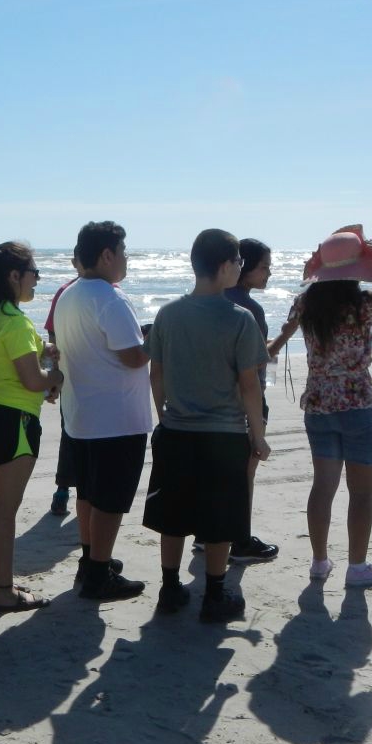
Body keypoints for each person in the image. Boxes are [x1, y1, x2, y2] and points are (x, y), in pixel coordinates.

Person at [143, 229, 269, 622]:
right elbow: (248, 384)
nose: (240, 268)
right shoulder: (239, 319)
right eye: (238, 262)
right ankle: (214, 594)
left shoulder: (168, 313)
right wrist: (258, 434)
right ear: (224, 266)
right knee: (220, 518)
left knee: (174, 515)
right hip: (224, 432)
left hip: (178, 429)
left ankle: (169, 588)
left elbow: (156, 374)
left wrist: (165, 417)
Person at [291, 226, 372, 586]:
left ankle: (319, 561)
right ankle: (357, 567)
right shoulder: (364, 304)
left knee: (322, 487)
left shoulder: (306, 304)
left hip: (319, 403)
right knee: (361, 493)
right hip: (358, 403)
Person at [53, 221, 151, 601]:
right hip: (116, 417)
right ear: (107, 255)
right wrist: (153, 340)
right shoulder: (110, 298)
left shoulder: (70, 293)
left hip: (82, 413)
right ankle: (98, 574)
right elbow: (131, 357)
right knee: (110, 499)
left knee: (89, 493)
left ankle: (92, 561)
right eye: (123, 252)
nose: (125, 260)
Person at [0, 242, 62, 612]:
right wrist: (58, 376)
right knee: (5, 510)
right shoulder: (16, 320)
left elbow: (13, 365)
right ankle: (3, 590)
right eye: (33, 273)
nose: (36, 279)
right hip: (13, 420)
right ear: (14, 276)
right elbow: (33, 382)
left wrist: (42, 359)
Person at [189, 237, 282, 563]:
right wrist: (286, 334)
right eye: (264, 268)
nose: (268, 274)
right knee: (243, 475)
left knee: (214, 476)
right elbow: (257, 364)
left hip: (206, 403)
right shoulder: (248, 309)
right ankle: (239, 538)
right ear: (244, 269)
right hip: (241, 403)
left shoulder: (208, 300)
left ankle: (206, 534)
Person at [43, 259, 81, 517]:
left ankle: (63, 491)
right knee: (71, 433)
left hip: (74, 377)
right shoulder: (66, 291)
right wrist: (54, 377)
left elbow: (52, 338)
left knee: (71, 433)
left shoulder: (66, 292)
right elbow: (52, 340)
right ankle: (63, 490)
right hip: (72, 377)